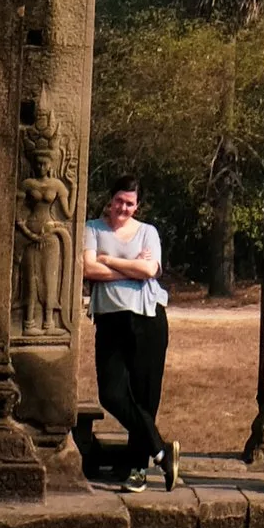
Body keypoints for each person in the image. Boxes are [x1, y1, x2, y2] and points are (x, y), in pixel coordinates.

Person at [83, 176, 176, 491]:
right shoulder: (92, 228)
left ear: (137, 206)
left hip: (147, 319)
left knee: (144, 396)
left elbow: (149, 271)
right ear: (110, 201)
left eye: (130, 203)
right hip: (109, 320)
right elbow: (87, 269)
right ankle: (161, 450)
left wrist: (107, 260)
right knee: (111, 394)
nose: (123, 208)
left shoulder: (148, 232)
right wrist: (127, 266)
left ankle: (139, 470)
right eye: (119, 201)